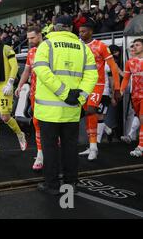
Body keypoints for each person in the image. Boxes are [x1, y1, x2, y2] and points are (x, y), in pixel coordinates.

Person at [33, 16, 98, 195]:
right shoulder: (83, 48)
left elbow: (41, 70)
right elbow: (92, 76)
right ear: (71, 28)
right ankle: (71, 183)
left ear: (55, 27)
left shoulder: (46, 45)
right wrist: (79, 98)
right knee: (70, 148)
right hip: (72, 109)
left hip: (48, 110)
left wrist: (63, 93)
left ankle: (52, 185)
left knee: (50, 148)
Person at [78, 23, 121, 160]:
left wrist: (117, 88)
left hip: (97, 84)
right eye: (80, 31)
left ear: (91, 31)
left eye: (84, 31)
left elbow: (113, 68)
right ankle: (92, 146)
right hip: (82, 85)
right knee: (88, 115)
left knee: (91, 111)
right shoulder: (78, 45)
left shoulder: (101, 46)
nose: (81, 34)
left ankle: (94, 147)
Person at [15, 26, 44, 171]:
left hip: (49, 94)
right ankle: (40, 155)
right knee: (36, 123)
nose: (30, 40)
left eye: (32, 37)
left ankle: (48, 153)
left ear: (40, 35)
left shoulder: (48, 48)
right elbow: (27, 70)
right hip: (34, 93)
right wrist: (20, 85)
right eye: (28, 38)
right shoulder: (31, 52)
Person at [120, 38, 143, 157]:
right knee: (139, 119)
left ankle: (140, 147)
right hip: (135, 96)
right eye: (133, 45)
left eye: (137, 45)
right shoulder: (130, 62)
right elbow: (126, 78)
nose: (134, 47)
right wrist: (122, 90)